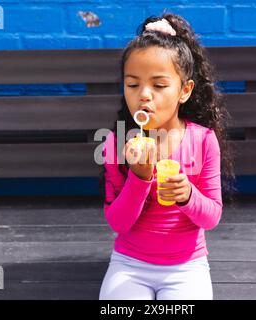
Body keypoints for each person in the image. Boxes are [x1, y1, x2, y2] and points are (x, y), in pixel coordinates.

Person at [98, 12, 236, 300]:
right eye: (133, 85)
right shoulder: (117, 142)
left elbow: (211, 218)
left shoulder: (203, 141)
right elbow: (118, 223)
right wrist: (140, 176)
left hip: (187, 267)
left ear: (184, 90)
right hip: (130, 264)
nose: (144, 95)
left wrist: (187, 194)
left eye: (159, 85)